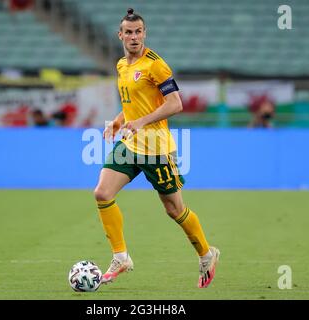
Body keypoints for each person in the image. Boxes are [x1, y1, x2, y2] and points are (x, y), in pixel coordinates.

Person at [94, 8, 219, 288]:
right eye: (129, 32)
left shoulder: (156, 65)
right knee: (102, 192)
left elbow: (176, 104)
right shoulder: (121, 65)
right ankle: (121, 256)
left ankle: (206, 254)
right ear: (120, 35)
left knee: (175, 210)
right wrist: (118, 121)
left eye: (139, 31)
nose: (134, 37)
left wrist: (141, 121)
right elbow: (133, 105)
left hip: (156, 149)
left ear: (145, 33)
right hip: (130, 144)